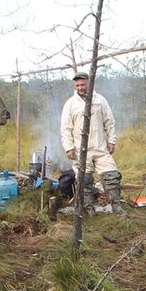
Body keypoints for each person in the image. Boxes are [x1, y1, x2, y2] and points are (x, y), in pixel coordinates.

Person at [59, 72, 125, 215]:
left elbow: (109, 122)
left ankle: (116, 207)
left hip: (101, 148)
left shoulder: (100, 100)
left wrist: (111, 141)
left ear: (89, 83)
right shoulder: (70, 104)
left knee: (112, 177)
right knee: (84, 181)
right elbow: (65, 129)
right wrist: (69, 148)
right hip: (80, 151)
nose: (80, 87)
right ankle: (89, 209)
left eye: (83, 84)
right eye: (77, 85)